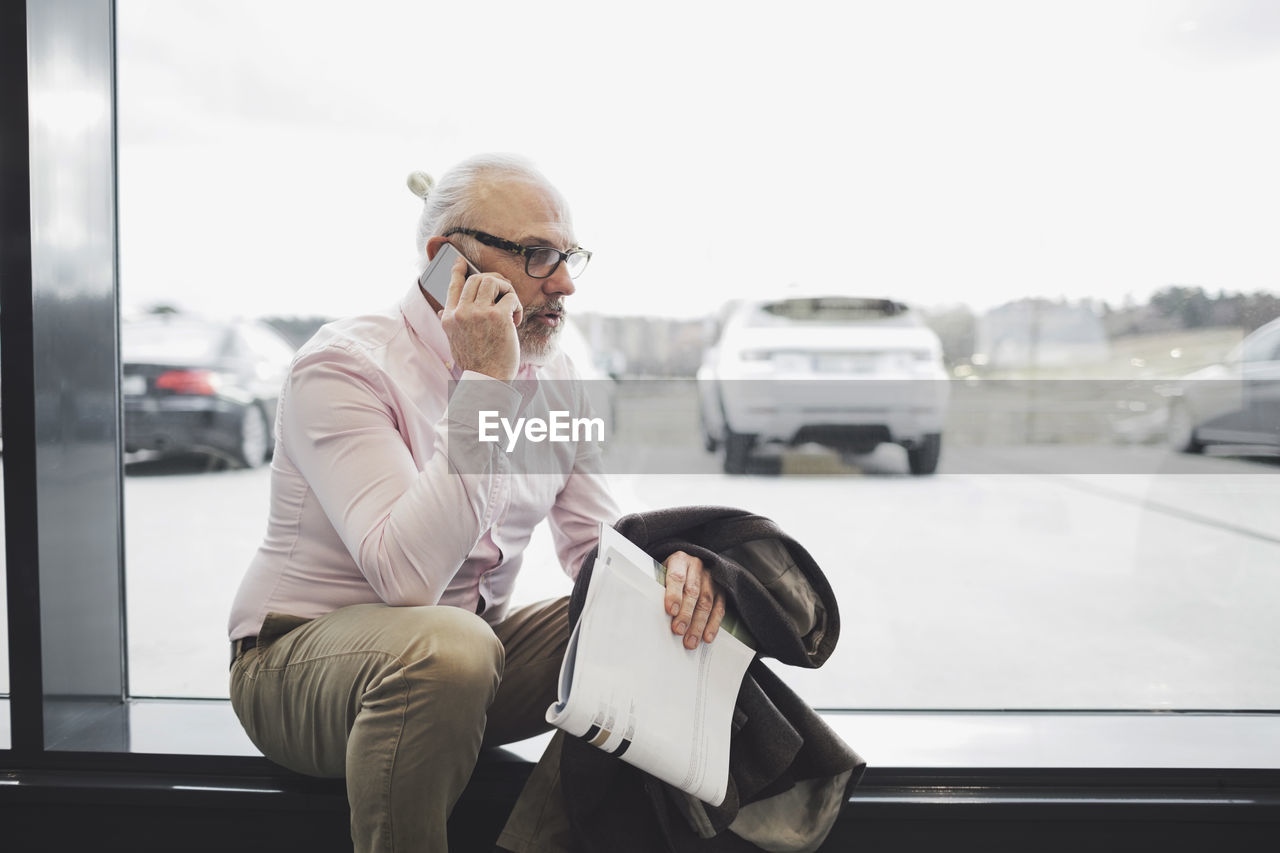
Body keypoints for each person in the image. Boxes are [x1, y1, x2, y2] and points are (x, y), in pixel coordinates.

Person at [227, 153, 727, 853]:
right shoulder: (341, 366)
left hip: (467, 663)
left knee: (678, 607)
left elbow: (596, 550)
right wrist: (486, 383)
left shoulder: (555, 373)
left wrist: (673, 571)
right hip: (297, 668)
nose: (566, 283)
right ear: (445, 262)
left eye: (569, 253)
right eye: (537, 254)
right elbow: (406, 579)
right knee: (451, 646)